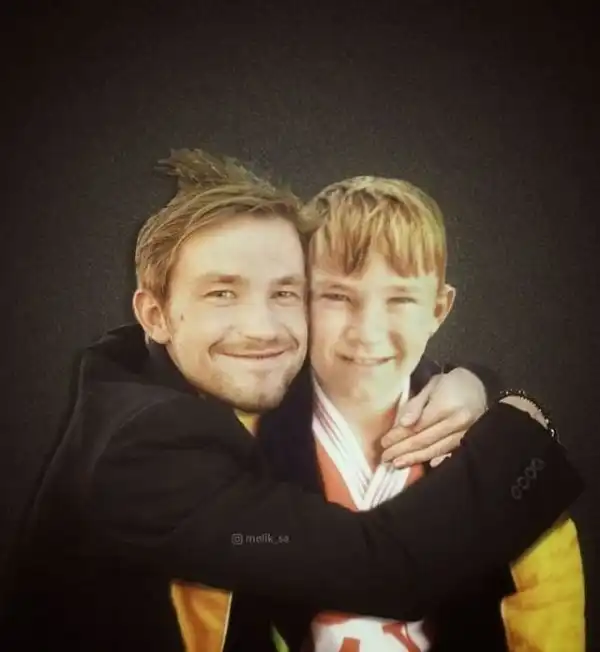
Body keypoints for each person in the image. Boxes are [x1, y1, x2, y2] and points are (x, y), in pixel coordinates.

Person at [1, 150, 582, 652]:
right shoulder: (144, 452)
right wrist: (523, 419)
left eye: (284, 292)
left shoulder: (143, 372)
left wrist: (474, 380)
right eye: (222, 292)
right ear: (155, 314)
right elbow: (382, 568)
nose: (262, 330)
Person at [259, 176, 585, 651]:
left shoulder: (494, 450)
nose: (367, 331)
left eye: (400, 299)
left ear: (439, 309)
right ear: (300, 298)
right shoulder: (249, 436)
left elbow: (543, 603)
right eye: (337, 296)